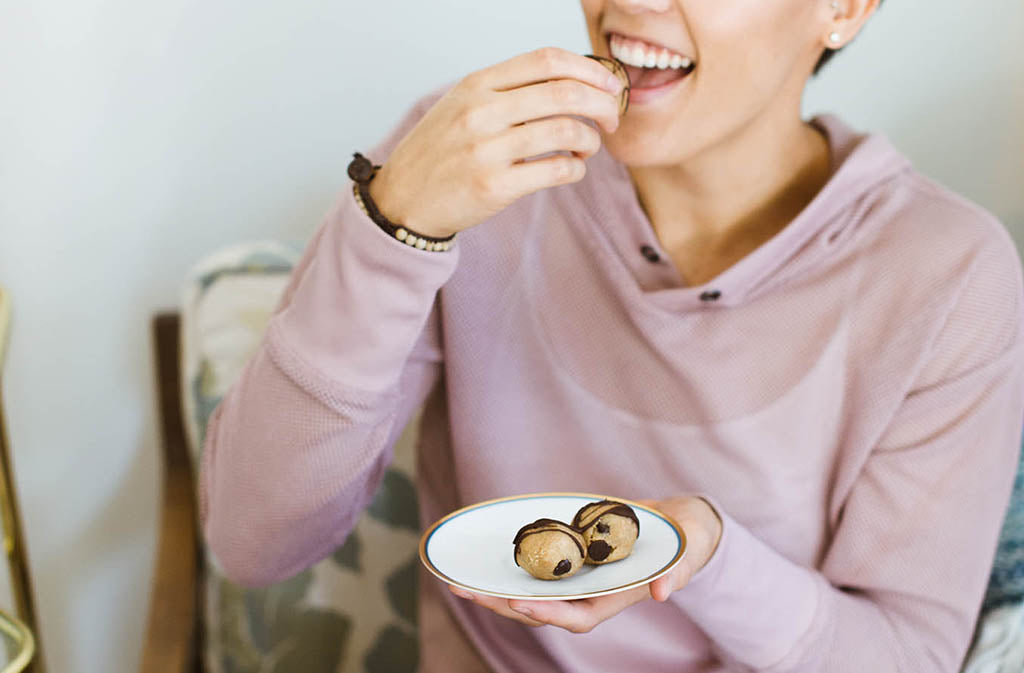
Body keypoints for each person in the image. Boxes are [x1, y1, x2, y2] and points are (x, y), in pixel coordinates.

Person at [198, 0, 1024, 671]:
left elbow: (905, 655)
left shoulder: (948, 274)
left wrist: (707, 556)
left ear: (844, 9)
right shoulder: (472, 169)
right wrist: (392, 229)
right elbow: (253, 540)